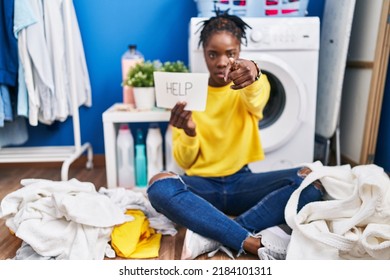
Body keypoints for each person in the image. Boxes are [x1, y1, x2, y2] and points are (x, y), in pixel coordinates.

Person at [147, 10, 323, 260]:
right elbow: (184, 162)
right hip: (202, 186)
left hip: (242, 184)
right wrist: (189, 132)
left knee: (311, 180)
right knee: (159, 185)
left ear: (239, 52)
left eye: (230, 53)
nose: (221, 61)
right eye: (213, 54)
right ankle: (249, 241)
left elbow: (258, 99)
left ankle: (213, 235)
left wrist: (256, 72)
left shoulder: (247, 86)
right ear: (204, 53)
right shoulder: (189, 92)